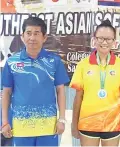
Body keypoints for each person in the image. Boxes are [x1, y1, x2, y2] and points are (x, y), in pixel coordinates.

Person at [1, 16, 69, 146]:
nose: (32, 38)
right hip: (21, 126)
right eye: (29, 33)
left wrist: (62, 119)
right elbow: (6, 93)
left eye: (36, 33)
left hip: (48, 126)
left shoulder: (54, 61)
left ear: (44, 37)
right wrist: (4, 122)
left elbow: (60, 91)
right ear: (22, 36)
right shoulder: (12, 62)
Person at [70, 20, 120, 147]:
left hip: (112, 124)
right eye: (101, 38)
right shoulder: (83, 64)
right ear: (94, 40)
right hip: (88, 123)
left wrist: (111, 111)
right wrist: (74, 124)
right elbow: (78, 97)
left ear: (114, 41)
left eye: (108, 39)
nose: (104, 42)